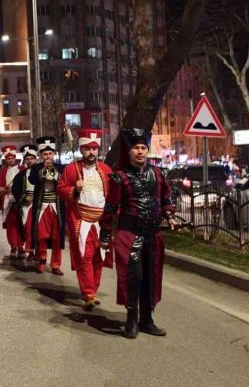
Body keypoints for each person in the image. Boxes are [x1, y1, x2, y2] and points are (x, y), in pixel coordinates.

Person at [100, 128, 175, 339]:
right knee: (133, 277)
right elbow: (110, 207)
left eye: (143, 148)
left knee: (151, 277)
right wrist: (105, 233)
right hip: (129, 234)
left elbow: (166, 199)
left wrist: (169, 215)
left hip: (153, 235)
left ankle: (147, 319)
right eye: (136, 148)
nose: (140, 152)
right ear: (129, 151)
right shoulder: (119, 178)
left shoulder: (158, 174)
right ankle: (131, 319)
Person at [57, 129, 114, 309]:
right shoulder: (71, 169)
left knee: (99, 257)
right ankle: (88, 292)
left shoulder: (105, 170)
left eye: (94, 149)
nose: (91, 153)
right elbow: (60, 189)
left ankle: (93, 291)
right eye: (87, 149)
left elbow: (112, 195)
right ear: (81, 150)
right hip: (81, 221)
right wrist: (75, 189)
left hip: (101, 221)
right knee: (84, 257)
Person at [28, 136, 66, 275]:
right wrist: (43, 171)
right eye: (45, 154)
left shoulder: (61, 167)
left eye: (50, 154)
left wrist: (55, 173)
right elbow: (32, 180)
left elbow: (65, 181)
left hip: (57, 207)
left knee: (57, 237)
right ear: (40, 155)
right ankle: (42, 260)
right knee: (41, 235)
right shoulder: (36, 168)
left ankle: (56, 264)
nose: (48, 157)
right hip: (42, 206)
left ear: (54, 154)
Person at [0, 146, 25, 260]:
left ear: (15, 158)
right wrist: (1, 189)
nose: (11, 160)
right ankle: (13, 246)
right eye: (8, 159)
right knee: (11, 226)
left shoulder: (22, 169)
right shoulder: (3, 171)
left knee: (21, 225)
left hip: (20, 200)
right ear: (5, 160)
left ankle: (21, 246)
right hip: (8, 201)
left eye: (12, 158)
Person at [11, 144, 39, 261]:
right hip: (26, 205)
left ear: (36, 159)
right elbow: (15, 189)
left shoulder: (42, 172)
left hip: (40, 204)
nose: (29, 160)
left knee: (39, 230)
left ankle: (40, 253)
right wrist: (24, 198)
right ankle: (31, 251)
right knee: (28, 228)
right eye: (27, 159)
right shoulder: (20, 175)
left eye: (32, 158)